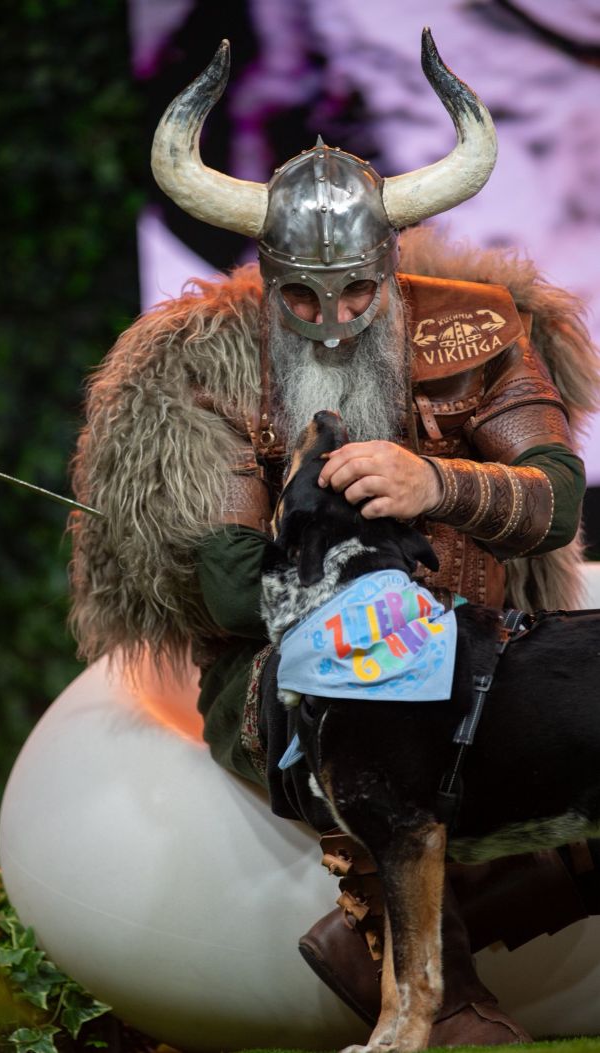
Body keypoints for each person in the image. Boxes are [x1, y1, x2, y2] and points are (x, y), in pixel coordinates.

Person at [69, 30, 600, 1048]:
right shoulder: (206, 365)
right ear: (266, 275)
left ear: (390, 266)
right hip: (291, 668)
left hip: (487, 650)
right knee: (375, 710)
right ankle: (434, 995)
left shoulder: (477, 332)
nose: (332, 318)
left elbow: (557, 504)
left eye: (357, 290)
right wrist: (329, 528)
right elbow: (233, 597)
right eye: (302, 295)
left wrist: (435, 481)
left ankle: (396, 940)